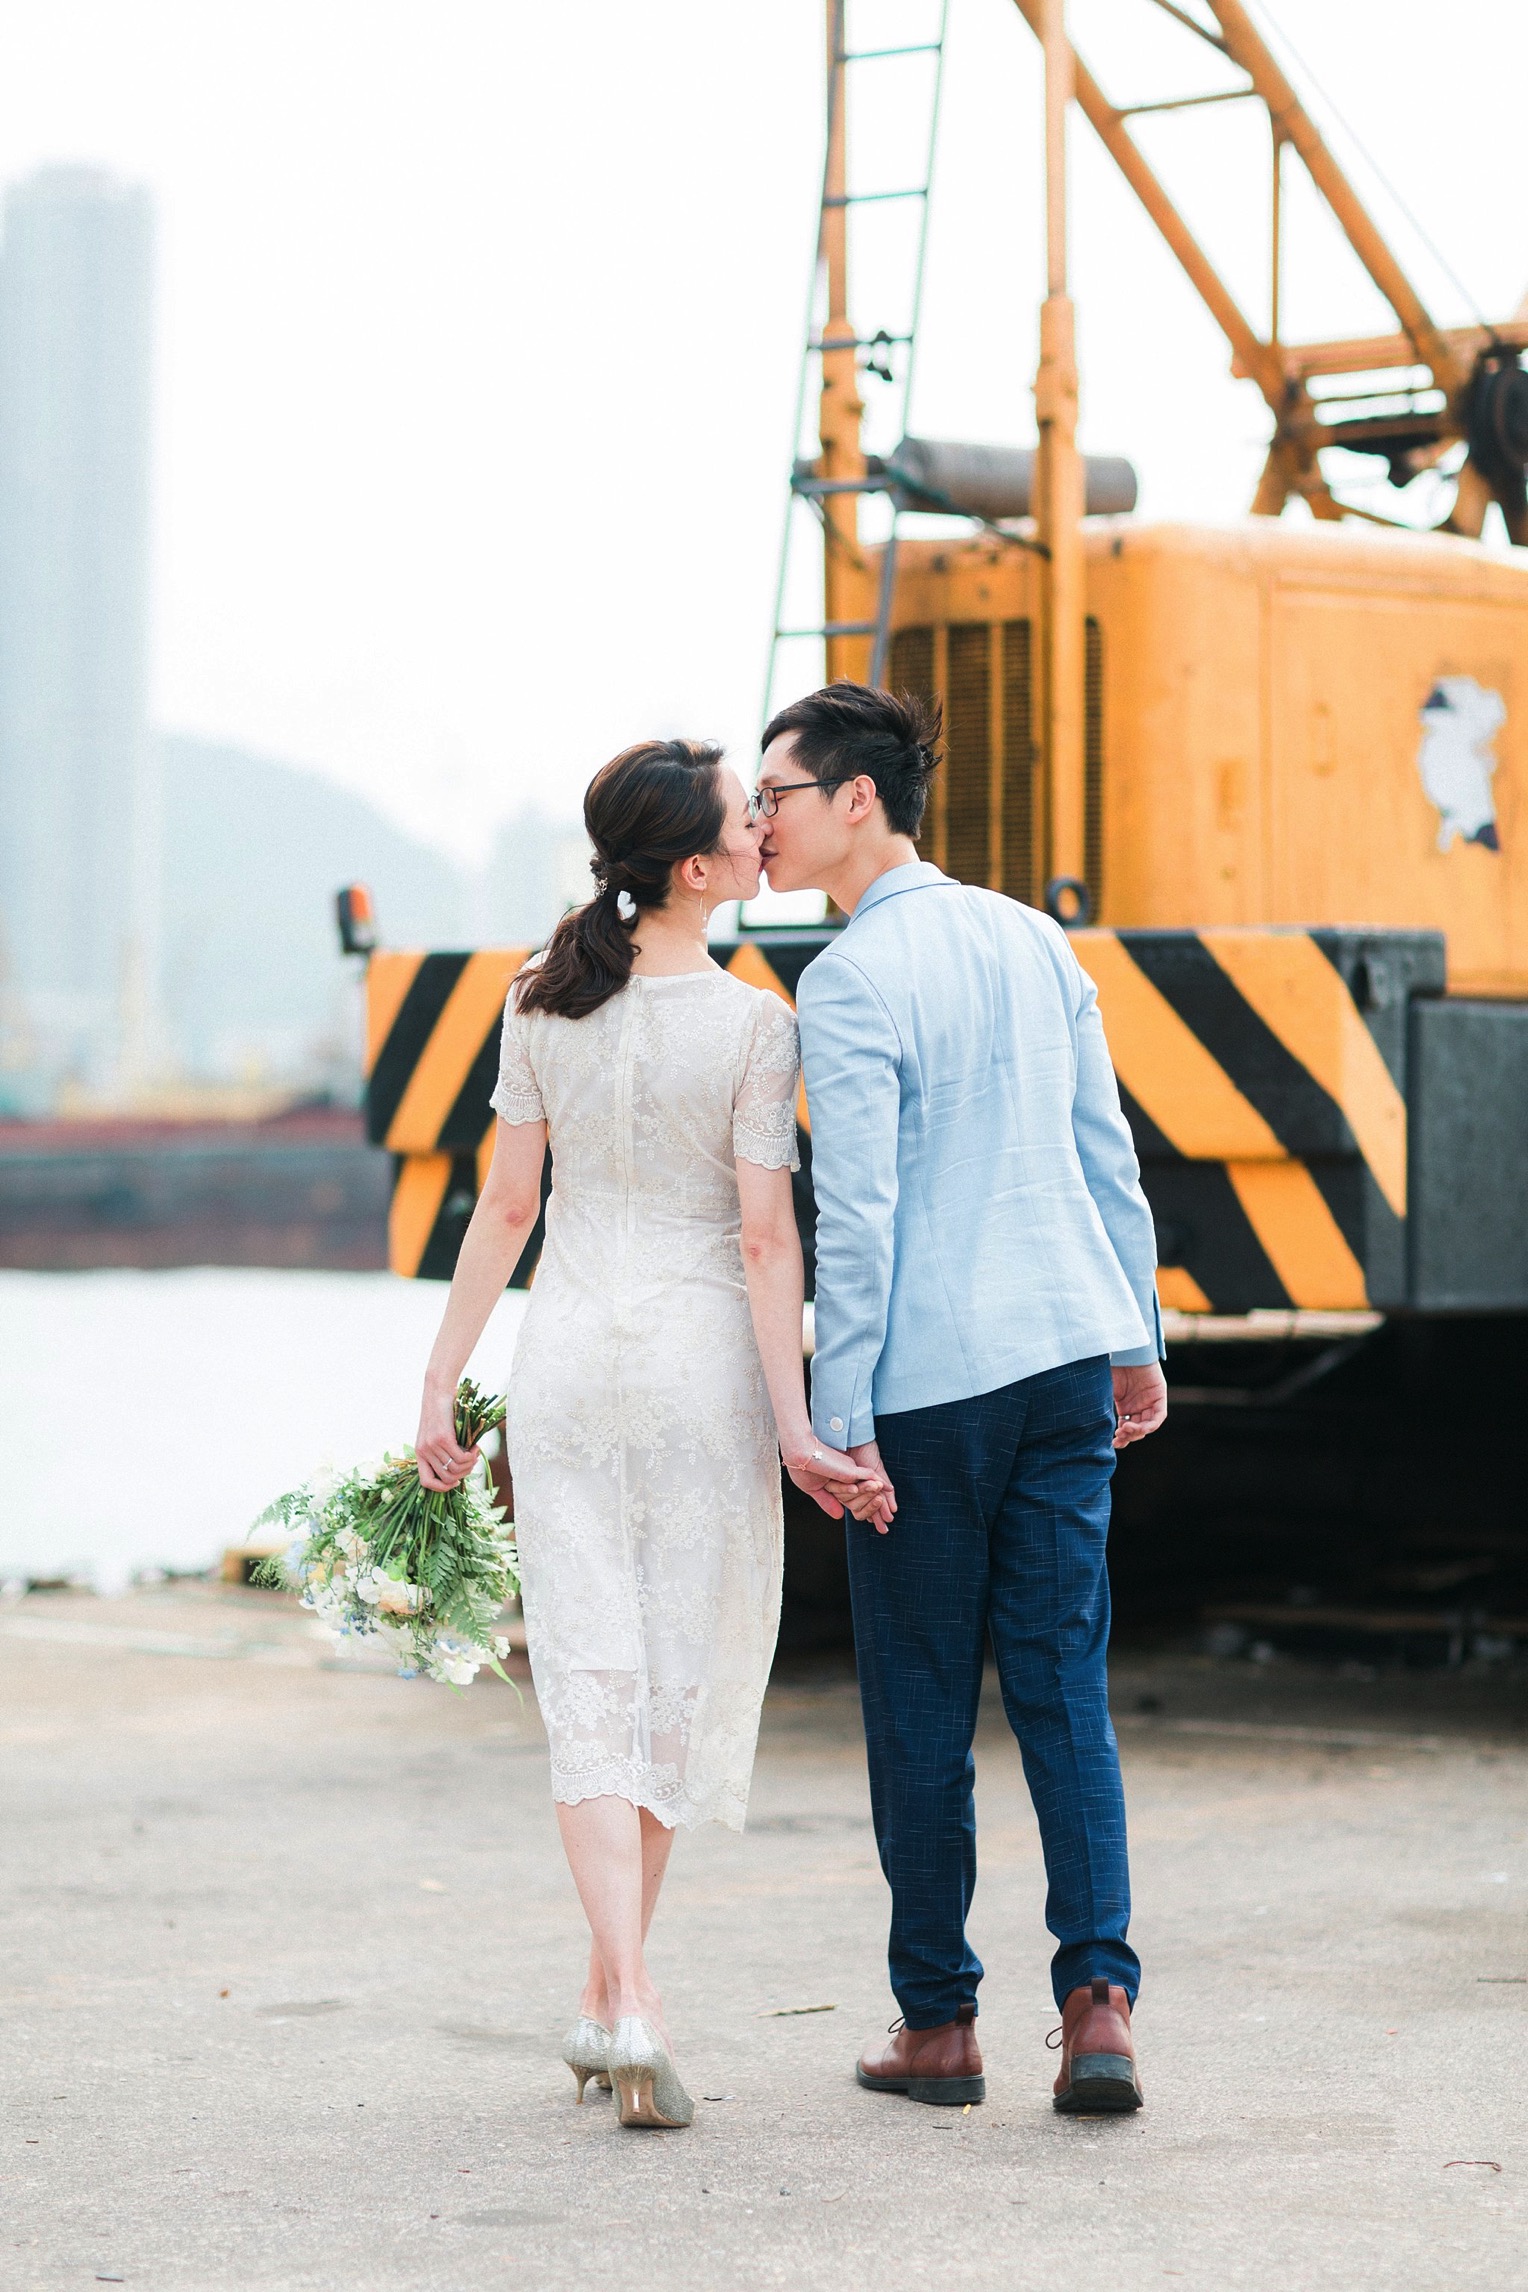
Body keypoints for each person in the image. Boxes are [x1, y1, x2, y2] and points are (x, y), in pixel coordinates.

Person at [412, 738, 880, 2133]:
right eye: (746, 823)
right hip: (695, 1371)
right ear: (693, 866)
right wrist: (797, 1419)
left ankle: (608, 1997)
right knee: (672, 1679)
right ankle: (632, 2001)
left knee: (592, 1683)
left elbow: (505, 1213)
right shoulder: (754, 1026)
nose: (762, 836)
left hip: (565, 1363)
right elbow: (760, 1237)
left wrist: (437, 1386)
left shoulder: (539, 1006)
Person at [755, 681, 1167, 2114]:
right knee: (1064, 1684)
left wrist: (839, 1414)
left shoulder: (852, 980)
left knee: (921, 1706)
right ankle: (1099, 2004)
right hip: (1064, 1353)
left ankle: (938, 2025)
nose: (759, 824)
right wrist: (1139, 1335)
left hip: (928, 1386)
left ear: (855, 798)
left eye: (778, 798)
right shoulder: (1032, 935)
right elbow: (1102, 1152)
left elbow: (856, 1218)